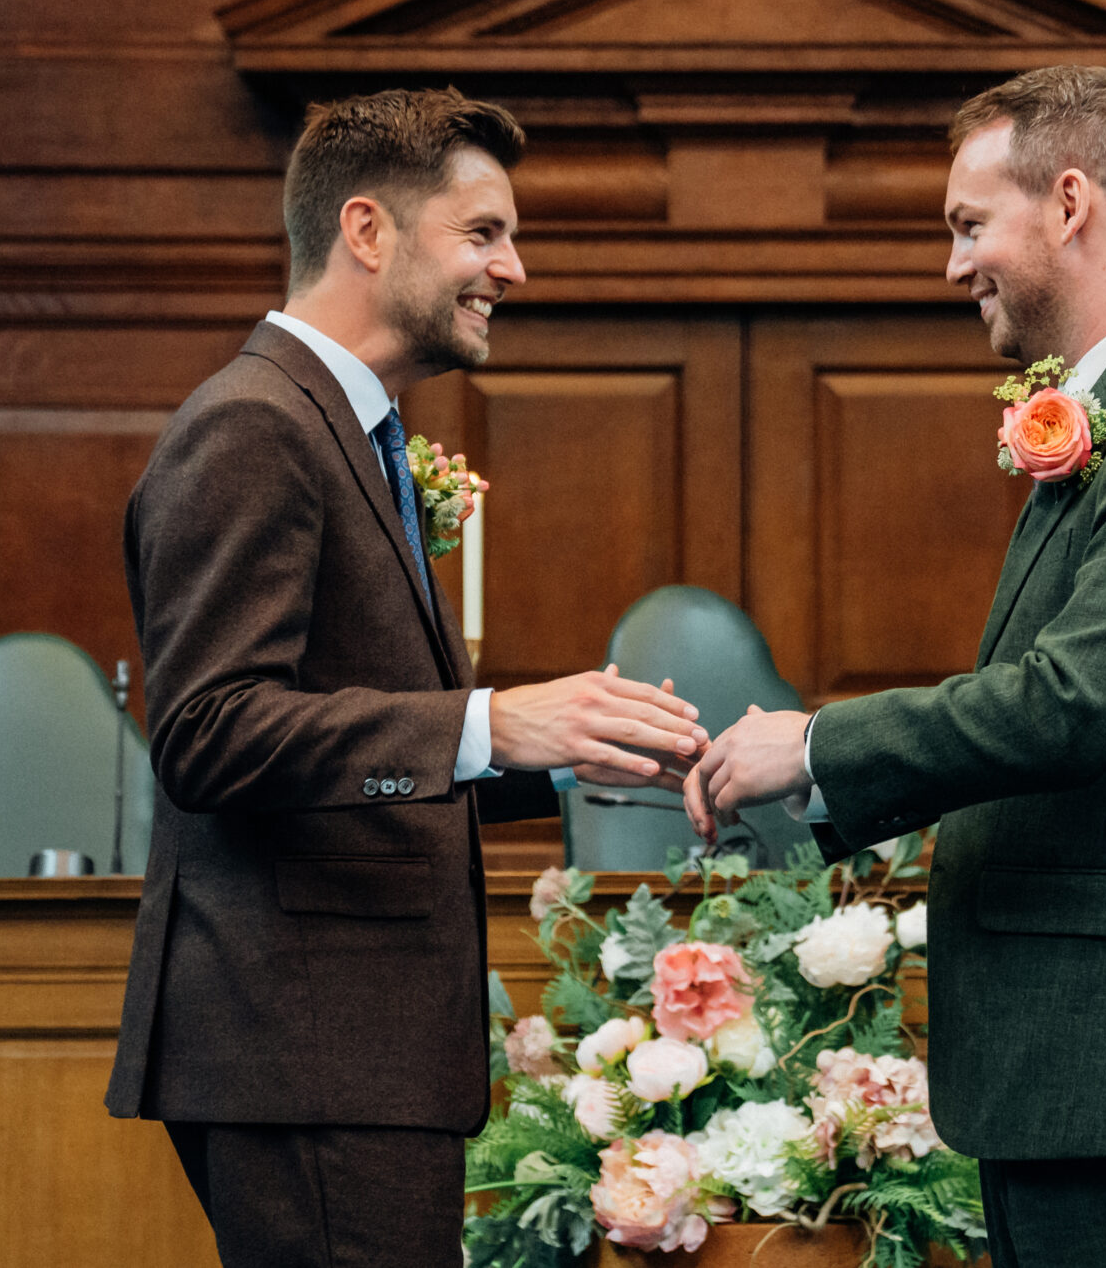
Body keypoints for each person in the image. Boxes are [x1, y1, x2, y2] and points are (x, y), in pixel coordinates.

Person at [683, 67, 1106, 1266]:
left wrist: (812, 745)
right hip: (1077, 1073)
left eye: (969, 226)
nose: (951, 264)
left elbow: (1078, 706)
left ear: (1069, 203)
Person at [104, 88, 708, 1268]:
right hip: (306, 1047)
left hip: (343, 1054)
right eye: (482, 234)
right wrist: (487, 721)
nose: (513, 269)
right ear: (368, 231)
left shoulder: (339, 427)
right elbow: (211, 735)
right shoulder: (254, 426)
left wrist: (583, 748)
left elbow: (356, 752)